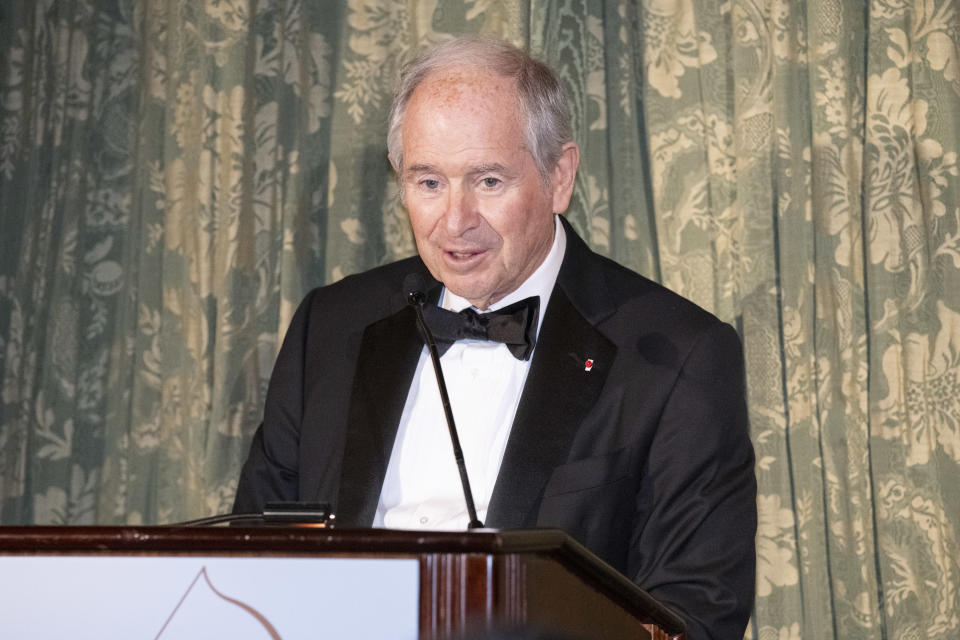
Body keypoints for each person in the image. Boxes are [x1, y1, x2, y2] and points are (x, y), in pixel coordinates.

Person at [234, 36, 756, 640]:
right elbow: (253, 557)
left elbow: (694, 615)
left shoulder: (678, 355)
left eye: (487, 181)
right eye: (428, 183)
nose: (455, 221)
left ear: (559, 177)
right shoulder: (329, 326)